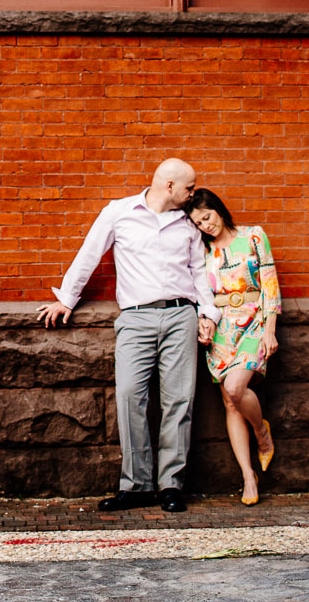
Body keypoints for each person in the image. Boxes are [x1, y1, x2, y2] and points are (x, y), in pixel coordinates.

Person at [37, 158, 219, 513]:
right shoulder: (119, 213)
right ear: (170, 186)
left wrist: (208, 314)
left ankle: (170, 485)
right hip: (136, 318)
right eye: (189, 187)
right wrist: (66, 300)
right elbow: (89, 254)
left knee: (179, 401)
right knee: (129, 396)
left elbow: (200, 272)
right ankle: (135, 485)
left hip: (182, 315)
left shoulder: (188, 223)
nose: (193, 193)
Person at [184, 187, 281, 506]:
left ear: (219, 210)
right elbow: (200, 292)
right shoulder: (202, 251)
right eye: (198, 223)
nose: (205, 226)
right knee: (228, 401)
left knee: (235, 387)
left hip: (253, 320)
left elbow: (269, 282)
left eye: (207, 217)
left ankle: (261, 433)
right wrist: (205, 322)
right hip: (222, 328)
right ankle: (248, 476)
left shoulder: (253, 236)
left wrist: (269, 329)